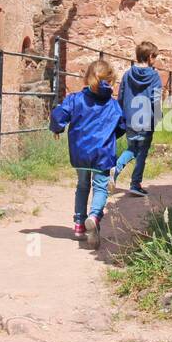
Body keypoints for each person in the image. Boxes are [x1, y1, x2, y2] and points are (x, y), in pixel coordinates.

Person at [49, 59, 125, 249]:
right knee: (100, 187)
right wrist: (111, 136)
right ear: (111, 80)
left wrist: (57, 129)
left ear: (87, 77)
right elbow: (122, 125)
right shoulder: (113, 105)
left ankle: (79, 225)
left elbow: (59, 114)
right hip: (102, 153)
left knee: (82, 185)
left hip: (80, 152)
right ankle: (94, 216)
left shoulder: (75, 99)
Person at [113, 41, 162, 197]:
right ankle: (135, 184)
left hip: (130, 118)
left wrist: (122, 115)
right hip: (146, 120)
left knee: (132, 148)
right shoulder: (154, 76)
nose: (155, 60)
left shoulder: (127, 75)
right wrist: (158, 117)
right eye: (155, 57)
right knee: (142, 152)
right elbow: (157, 99)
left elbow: (120, 96)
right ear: (149, 57)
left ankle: (115, 169)